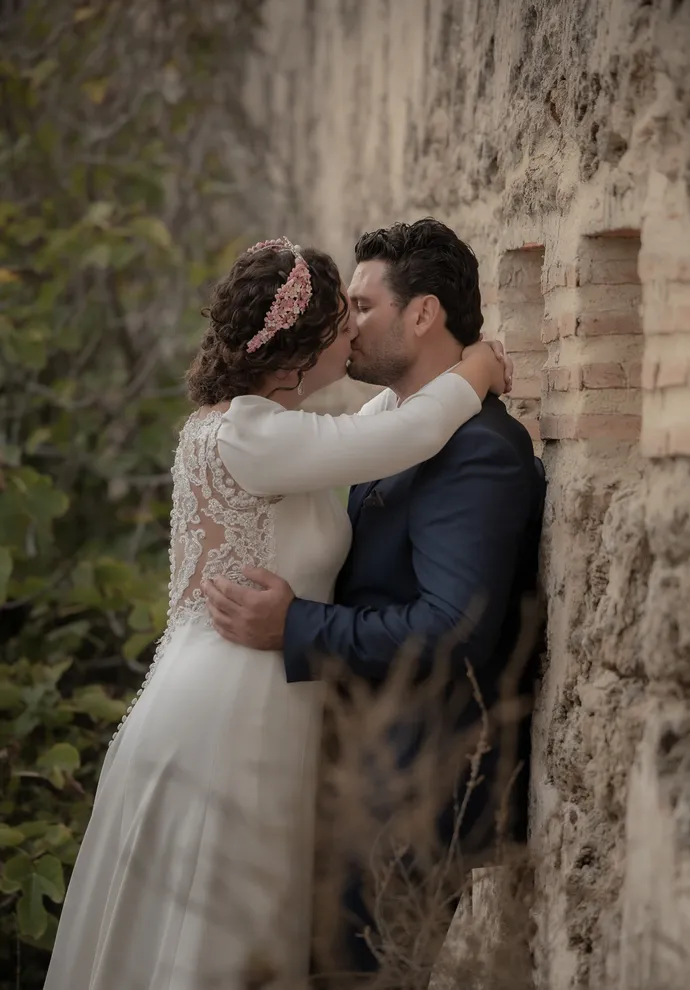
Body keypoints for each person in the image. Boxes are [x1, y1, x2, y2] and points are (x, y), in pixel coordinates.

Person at [43, 235, 511, 990]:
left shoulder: (236, 425)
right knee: (228, 932)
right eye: (342, 321)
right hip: (233, 706)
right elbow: (406, 433)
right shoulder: (253, 433)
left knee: (231, 923)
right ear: (302, 348)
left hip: (232, 689)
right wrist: (477, 370)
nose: (353, 335)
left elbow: (382, 426)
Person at [204, 219, 547, 975]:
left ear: (421, 314)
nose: (344, 325)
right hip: (363, 776)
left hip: (418, 791)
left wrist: (296, 624)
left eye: (361, 306)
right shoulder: (395, 426)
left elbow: (452, 629)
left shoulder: (479, 452)